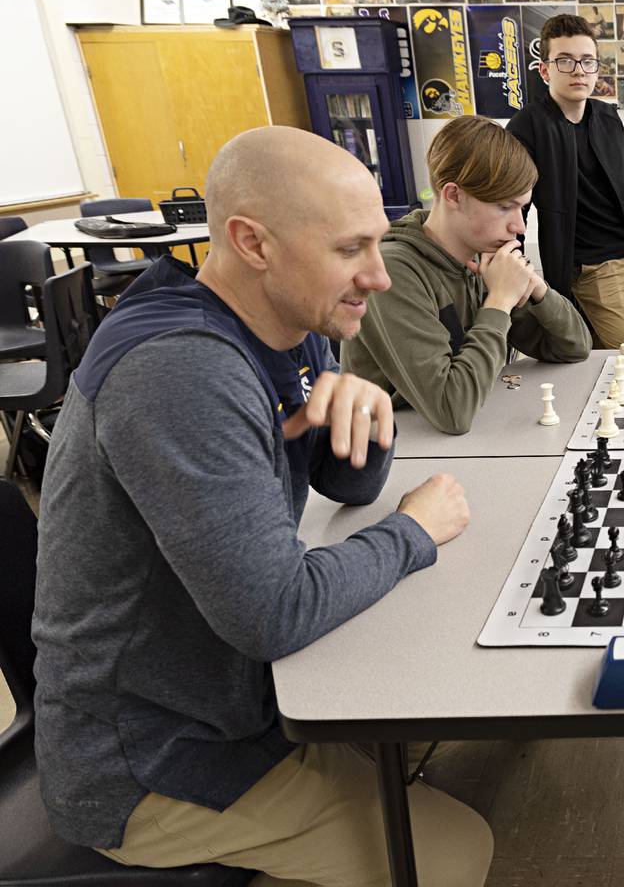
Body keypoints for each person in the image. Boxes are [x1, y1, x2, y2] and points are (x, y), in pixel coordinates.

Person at [31, 126, 493, 885]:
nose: (377, 277)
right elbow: (273, 612)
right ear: (253, 242)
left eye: (379, 244)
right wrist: (414, 532)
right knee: (453, 853)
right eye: (350, 250)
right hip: (152, 762)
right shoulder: (182, 372)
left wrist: (364, 408)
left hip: (227, 701)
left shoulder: (279, 324)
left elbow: (347, 488)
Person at [343, 116, 588, 435]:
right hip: (393, 446)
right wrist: (499, 302)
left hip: (456, 435)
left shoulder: (483, 255)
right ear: (453, 195)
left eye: (522, 208)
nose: (520, 227)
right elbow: (451, 411)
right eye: (504, 207)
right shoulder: (392, 271)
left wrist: (536, 288)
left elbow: (575, 347)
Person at [507, 13, 624, 349]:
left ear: (596, 69)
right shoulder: (528, 127)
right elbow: (512, 208)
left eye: (587, 61)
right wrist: (515, 267)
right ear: (545, 70)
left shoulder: (607, 118)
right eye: (565, 61)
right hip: (593, 270)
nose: (578, 70)